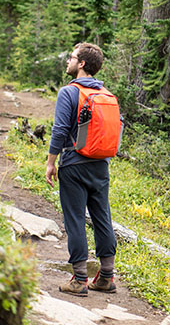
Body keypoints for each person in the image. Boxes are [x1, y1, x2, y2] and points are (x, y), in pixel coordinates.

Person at [45, 42, 118, 296]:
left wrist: (51, 162)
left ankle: (79, 280)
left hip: (74, 164)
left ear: (82, 64)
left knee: (75, 219)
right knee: (102, 217)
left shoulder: (69, 92)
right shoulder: (107, 94)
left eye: (72, 57)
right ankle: (106, 277)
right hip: (101, 166)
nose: (68, 61)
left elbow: (60, 130)